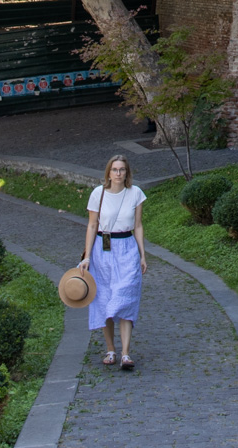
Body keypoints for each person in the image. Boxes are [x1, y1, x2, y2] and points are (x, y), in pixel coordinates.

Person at [78, 155, 147, 370]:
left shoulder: (135, 193)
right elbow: (91, 226)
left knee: (126, 296)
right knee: (104, 298)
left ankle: (126, 353)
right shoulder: (98, 194)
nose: (118, 173)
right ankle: (111, 349)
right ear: (108, 172)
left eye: (122, 170)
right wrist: (88, 256)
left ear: (127, 172)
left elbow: (138, 226)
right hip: (103, 248)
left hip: (127, 248)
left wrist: (143, 255)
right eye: (115, 169)